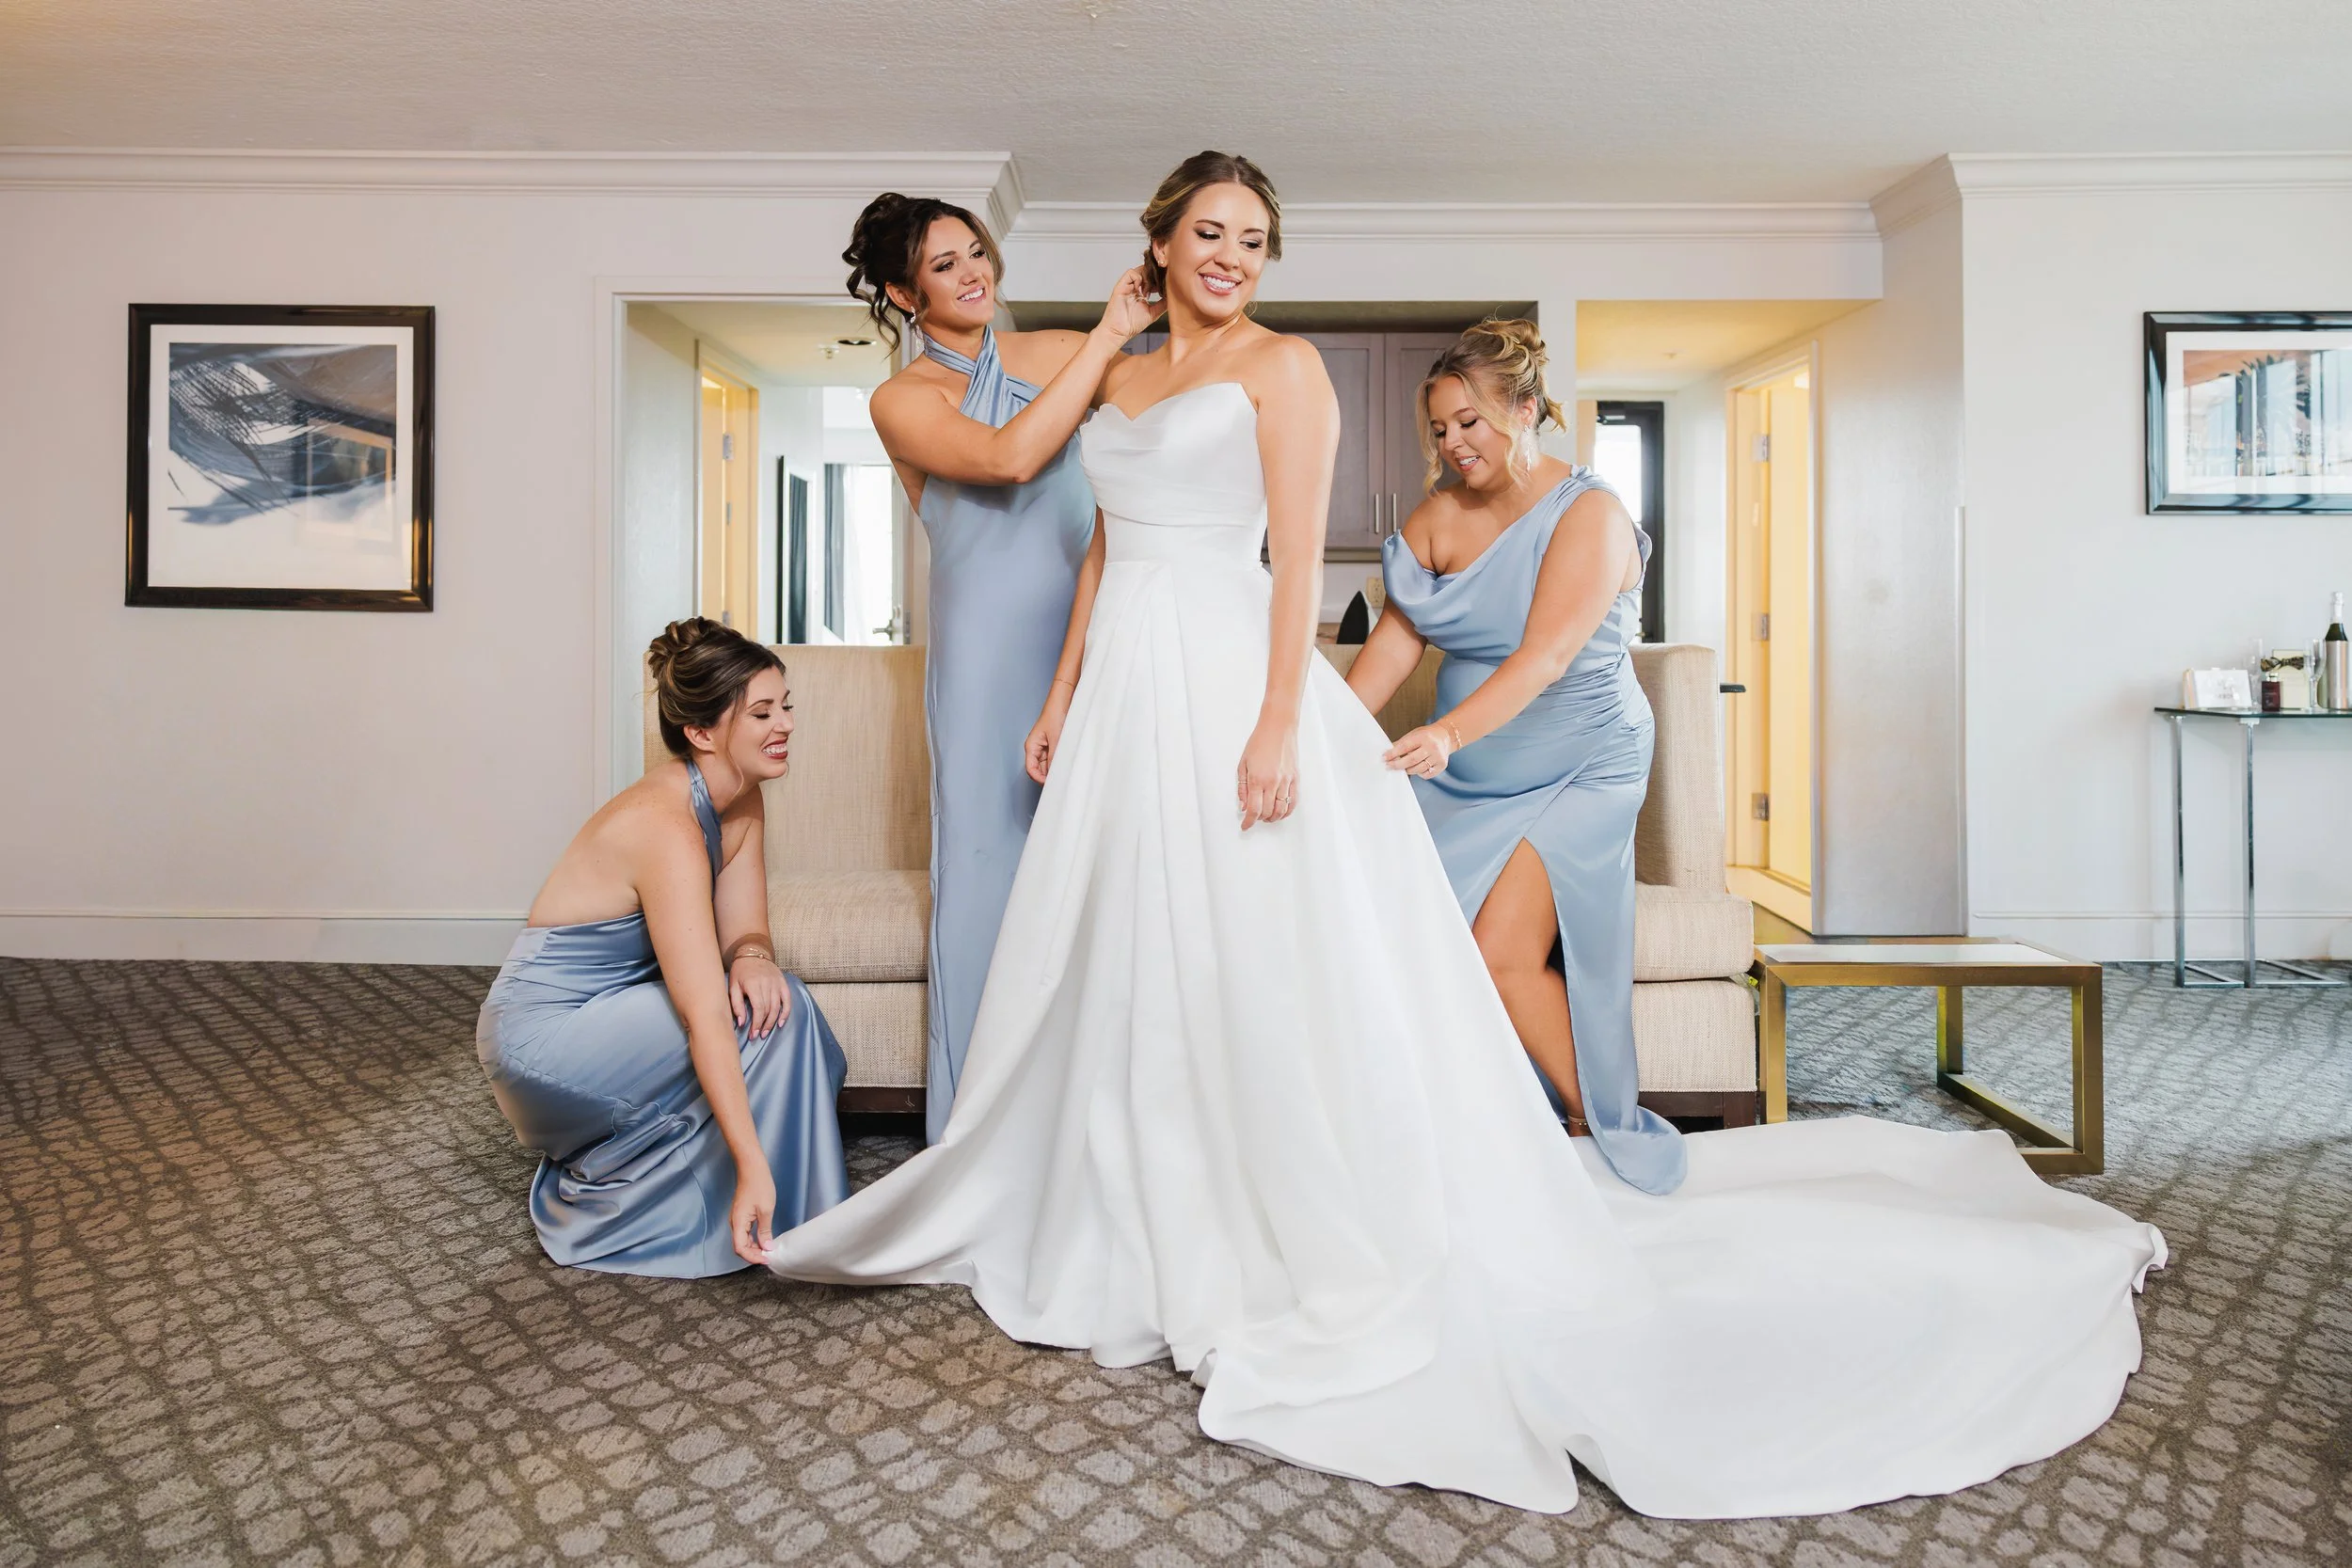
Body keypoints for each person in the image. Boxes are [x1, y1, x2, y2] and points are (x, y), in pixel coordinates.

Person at [768, 152, 2165, 1520]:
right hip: (1122, 686)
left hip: (1218, 680)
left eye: (1254, 237)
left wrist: (1275, 716)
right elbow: (1094, 546)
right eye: (1209, 230)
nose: (1231, 256)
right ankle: (1133, 1194)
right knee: (1125, 943)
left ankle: (1279, 1205)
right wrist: (1064, 690)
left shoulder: (1283, 369)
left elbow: (1291, 553)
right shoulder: (1120, 368)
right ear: (1162, 236)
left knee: (1247, 947)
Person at [845, 193, 1156, 1143]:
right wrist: (1106, 337)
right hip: (987, 665)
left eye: (974, 250)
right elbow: (1013, 457)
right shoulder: (902, 400)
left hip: (1091, 639)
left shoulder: (1057, 352)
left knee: (1102, 866)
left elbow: (1163, 406)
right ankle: (985, 1128)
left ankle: (1095, 1120)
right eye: (943, 264)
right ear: (903, 292)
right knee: (989, 871)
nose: (973, 270)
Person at [1343, 321, 1681, 1194]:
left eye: (1472, 422)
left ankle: (1596, 1127)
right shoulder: (1435, 518)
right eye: (1442, 428)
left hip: (1583, 760)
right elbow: (1393, 646)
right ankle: (1495, 1122)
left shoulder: (1591, 512)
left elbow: (1544, 657)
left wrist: (1448, 732)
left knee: (1498, 950)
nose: (1454, 444)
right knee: (1404, 937)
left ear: (1526, 409)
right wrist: (1322, 733)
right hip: (1471, 769)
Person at [476, 619, 847, 1276]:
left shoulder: (744, 800)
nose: (784, 723)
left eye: (785, 705)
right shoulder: (665, 825)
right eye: (761, 712)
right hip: (542, 1038)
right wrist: (751, 1164)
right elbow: (703, 1015)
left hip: (608, 1009)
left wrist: (756, 958)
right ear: (702, 733)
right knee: (751, 1023)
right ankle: (750, 1195)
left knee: (784, 1004)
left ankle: (793, 1213)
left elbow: (746, 932)